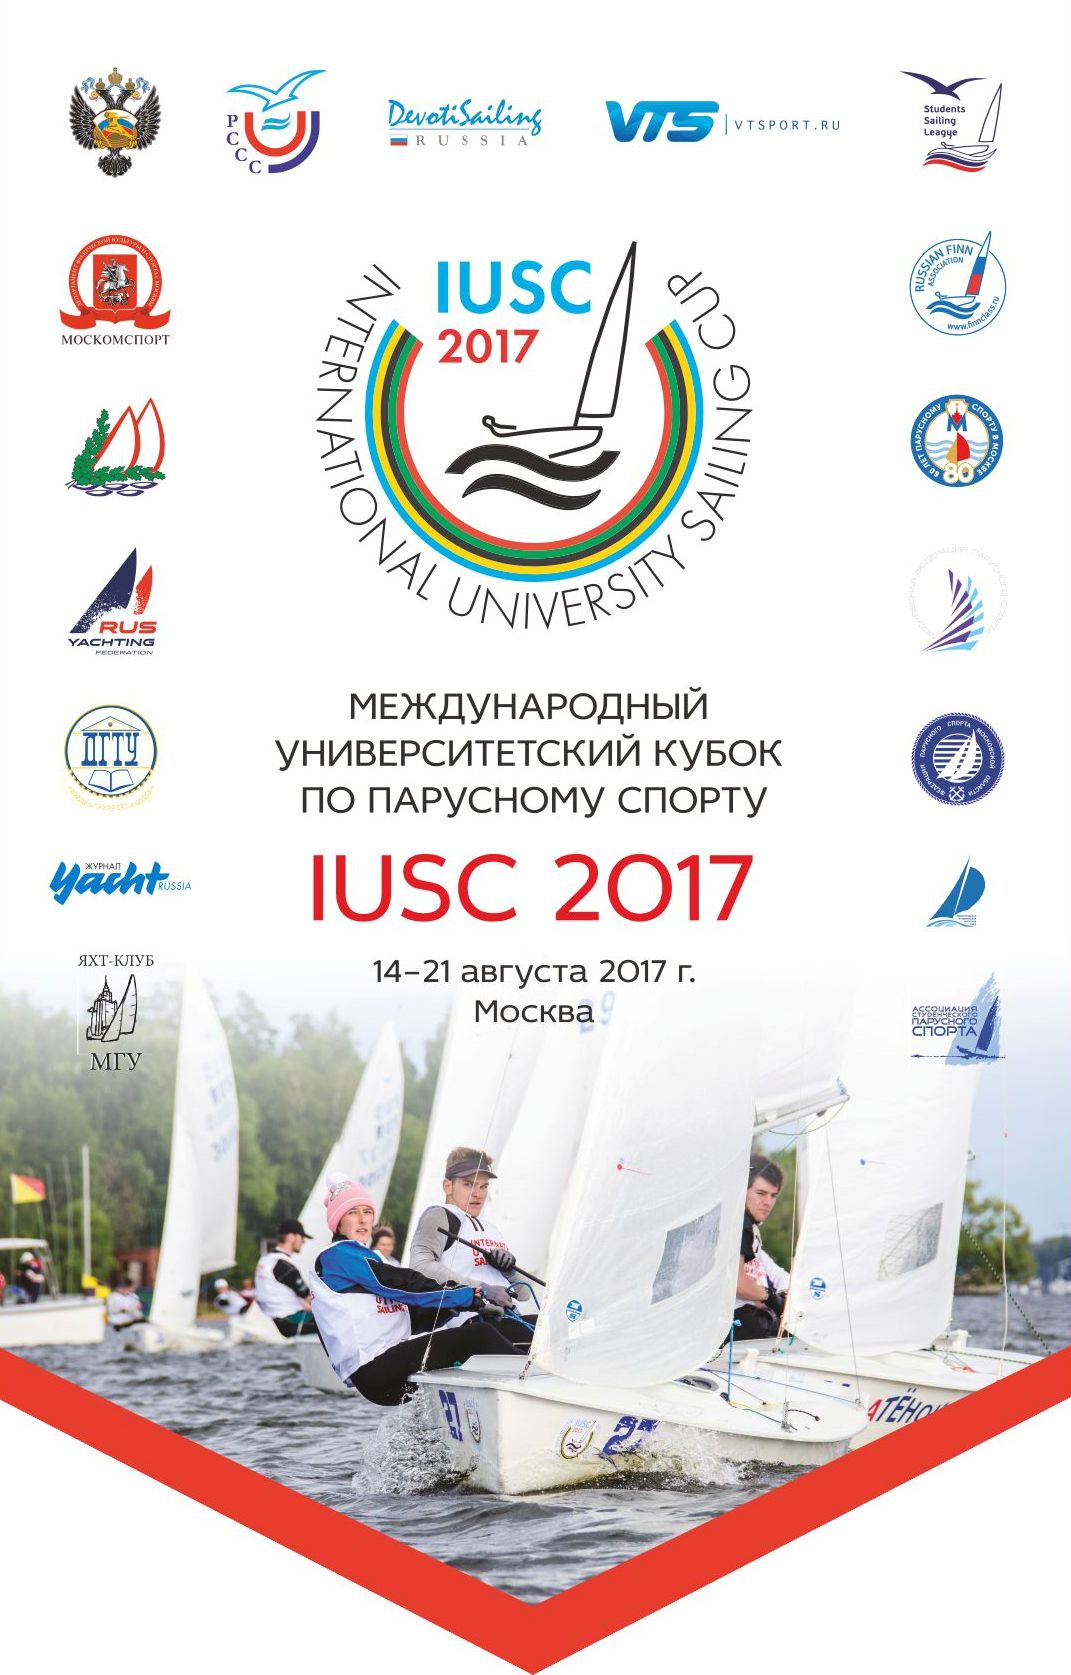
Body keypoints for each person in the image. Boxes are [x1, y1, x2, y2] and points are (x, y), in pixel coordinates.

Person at [310, 1177, 525, 1405]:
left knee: (487, 1329)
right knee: (480, 1335)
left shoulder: (366, 1258)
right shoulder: (336, 1256)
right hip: (373, 1370)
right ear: (338, 1222)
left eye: (367, 1212)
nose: (363, 1219)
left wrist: (463, 1307)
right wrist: (471, 1295)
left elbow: (408, 1319)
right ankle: (531, 1384)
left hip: (390, 1365)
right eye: (352, 1212)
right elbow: (402, 1283)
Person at [408, 1146, 533, 1344]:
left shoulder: (492, 1229)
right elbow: (420, 1267)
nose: (478, 1194)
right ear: (448, 1186)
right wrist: (482, 1289)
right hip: (472, 1324)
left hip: (509, 1320)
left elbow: (525, 1294)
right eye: (469, 1184)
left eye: (483, 1186)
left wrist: (510, 1271)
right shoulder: (439, 1214)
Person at [732, 1155, 791, 1340]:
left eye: (773, 1196)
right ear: (741, 1190)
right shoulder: (738, 1225)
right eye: (761, 1193)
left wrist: (786, 1296)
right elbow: (739, 1285)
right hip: (730, 1325)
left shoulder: (751, 1233)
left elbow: (782, 1278)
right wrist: (770, 1297)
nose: (768, 1202)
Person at [254, 1218, 320, 1338]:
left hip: (271, 1320)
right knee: (335, 1320)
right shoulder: (284, 1266)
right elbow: (311, 1298)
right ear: (291, 1237)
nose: (303, 1241)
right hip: (288, 1322)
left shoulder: (265, 1259)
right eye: (301, 1237)